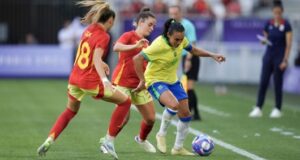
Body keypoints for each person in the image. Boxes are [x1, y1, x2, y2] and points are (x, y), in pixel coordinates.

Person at [37, 1, 131, 159]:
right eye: (113, 21)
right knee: (125, 102)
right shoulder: (104, 36)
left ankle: (49, 139)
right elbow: (95, 58)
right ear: (110, 21)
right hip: (90, 81)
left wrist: (102, 63)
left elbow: (89, 55)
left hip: (74, 78)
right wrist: (105, 80)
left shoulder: (89, 30)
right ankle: (108, 141)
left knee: (70, 110)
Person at [133, 18, 225, 155]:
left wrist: (212, 55)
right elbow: (137, 59)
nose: (179, 42)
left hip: (173, 81)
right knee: (174, 105)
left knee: (186, 114)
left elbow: (193, 50)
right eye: (176, 39)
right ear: (168, 35)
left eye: (181, 39)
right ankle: (161, 133)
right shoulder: (159, 44)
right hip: (155, 81)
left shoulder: (181, 41)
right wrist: (142, 80)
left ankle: (177, 148)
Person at [102, 7, 157, 153]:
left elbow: (147, 64)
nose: (152, 28)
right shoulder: (129, 35)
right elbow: (117, 47)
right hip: (122, 82)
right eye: (150, 24)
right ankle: (108, 140)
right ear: (140, 22)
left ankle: (141, 139)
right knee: (124, 117)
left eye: (154, 26)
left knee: (151, 118)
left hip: (139, 84)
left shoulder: (147, 43)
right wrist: (135, 45)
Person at [249, 0, 292, 118]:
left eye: (279, 13)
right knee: (263, 82)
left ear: (282, 12)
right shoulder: (269, 24)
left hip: (280, 56)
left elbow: (288, 45)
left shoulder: (286, 25)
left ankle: (277, 108)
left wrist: (285, 60)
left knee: (278, 83)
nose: (277, 15)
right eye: (275, 13)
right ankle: (258, 107)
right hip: (268, 56)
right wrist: (263, 41)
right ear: (272, 12)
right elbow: (265, 39)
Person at [168, 5, 201, 120]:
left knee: (189, 87)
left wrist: (188, 60)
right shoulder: (172, 26)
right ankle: (194, 113)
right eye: (171, 13)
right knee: (187, 87)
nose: (173, 16)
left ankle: (192, 113)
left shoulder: (187, 25)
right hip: (183, 58)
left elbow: (193, 45)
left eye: (175, 13)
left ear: (180, 13)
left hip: (191, 57)